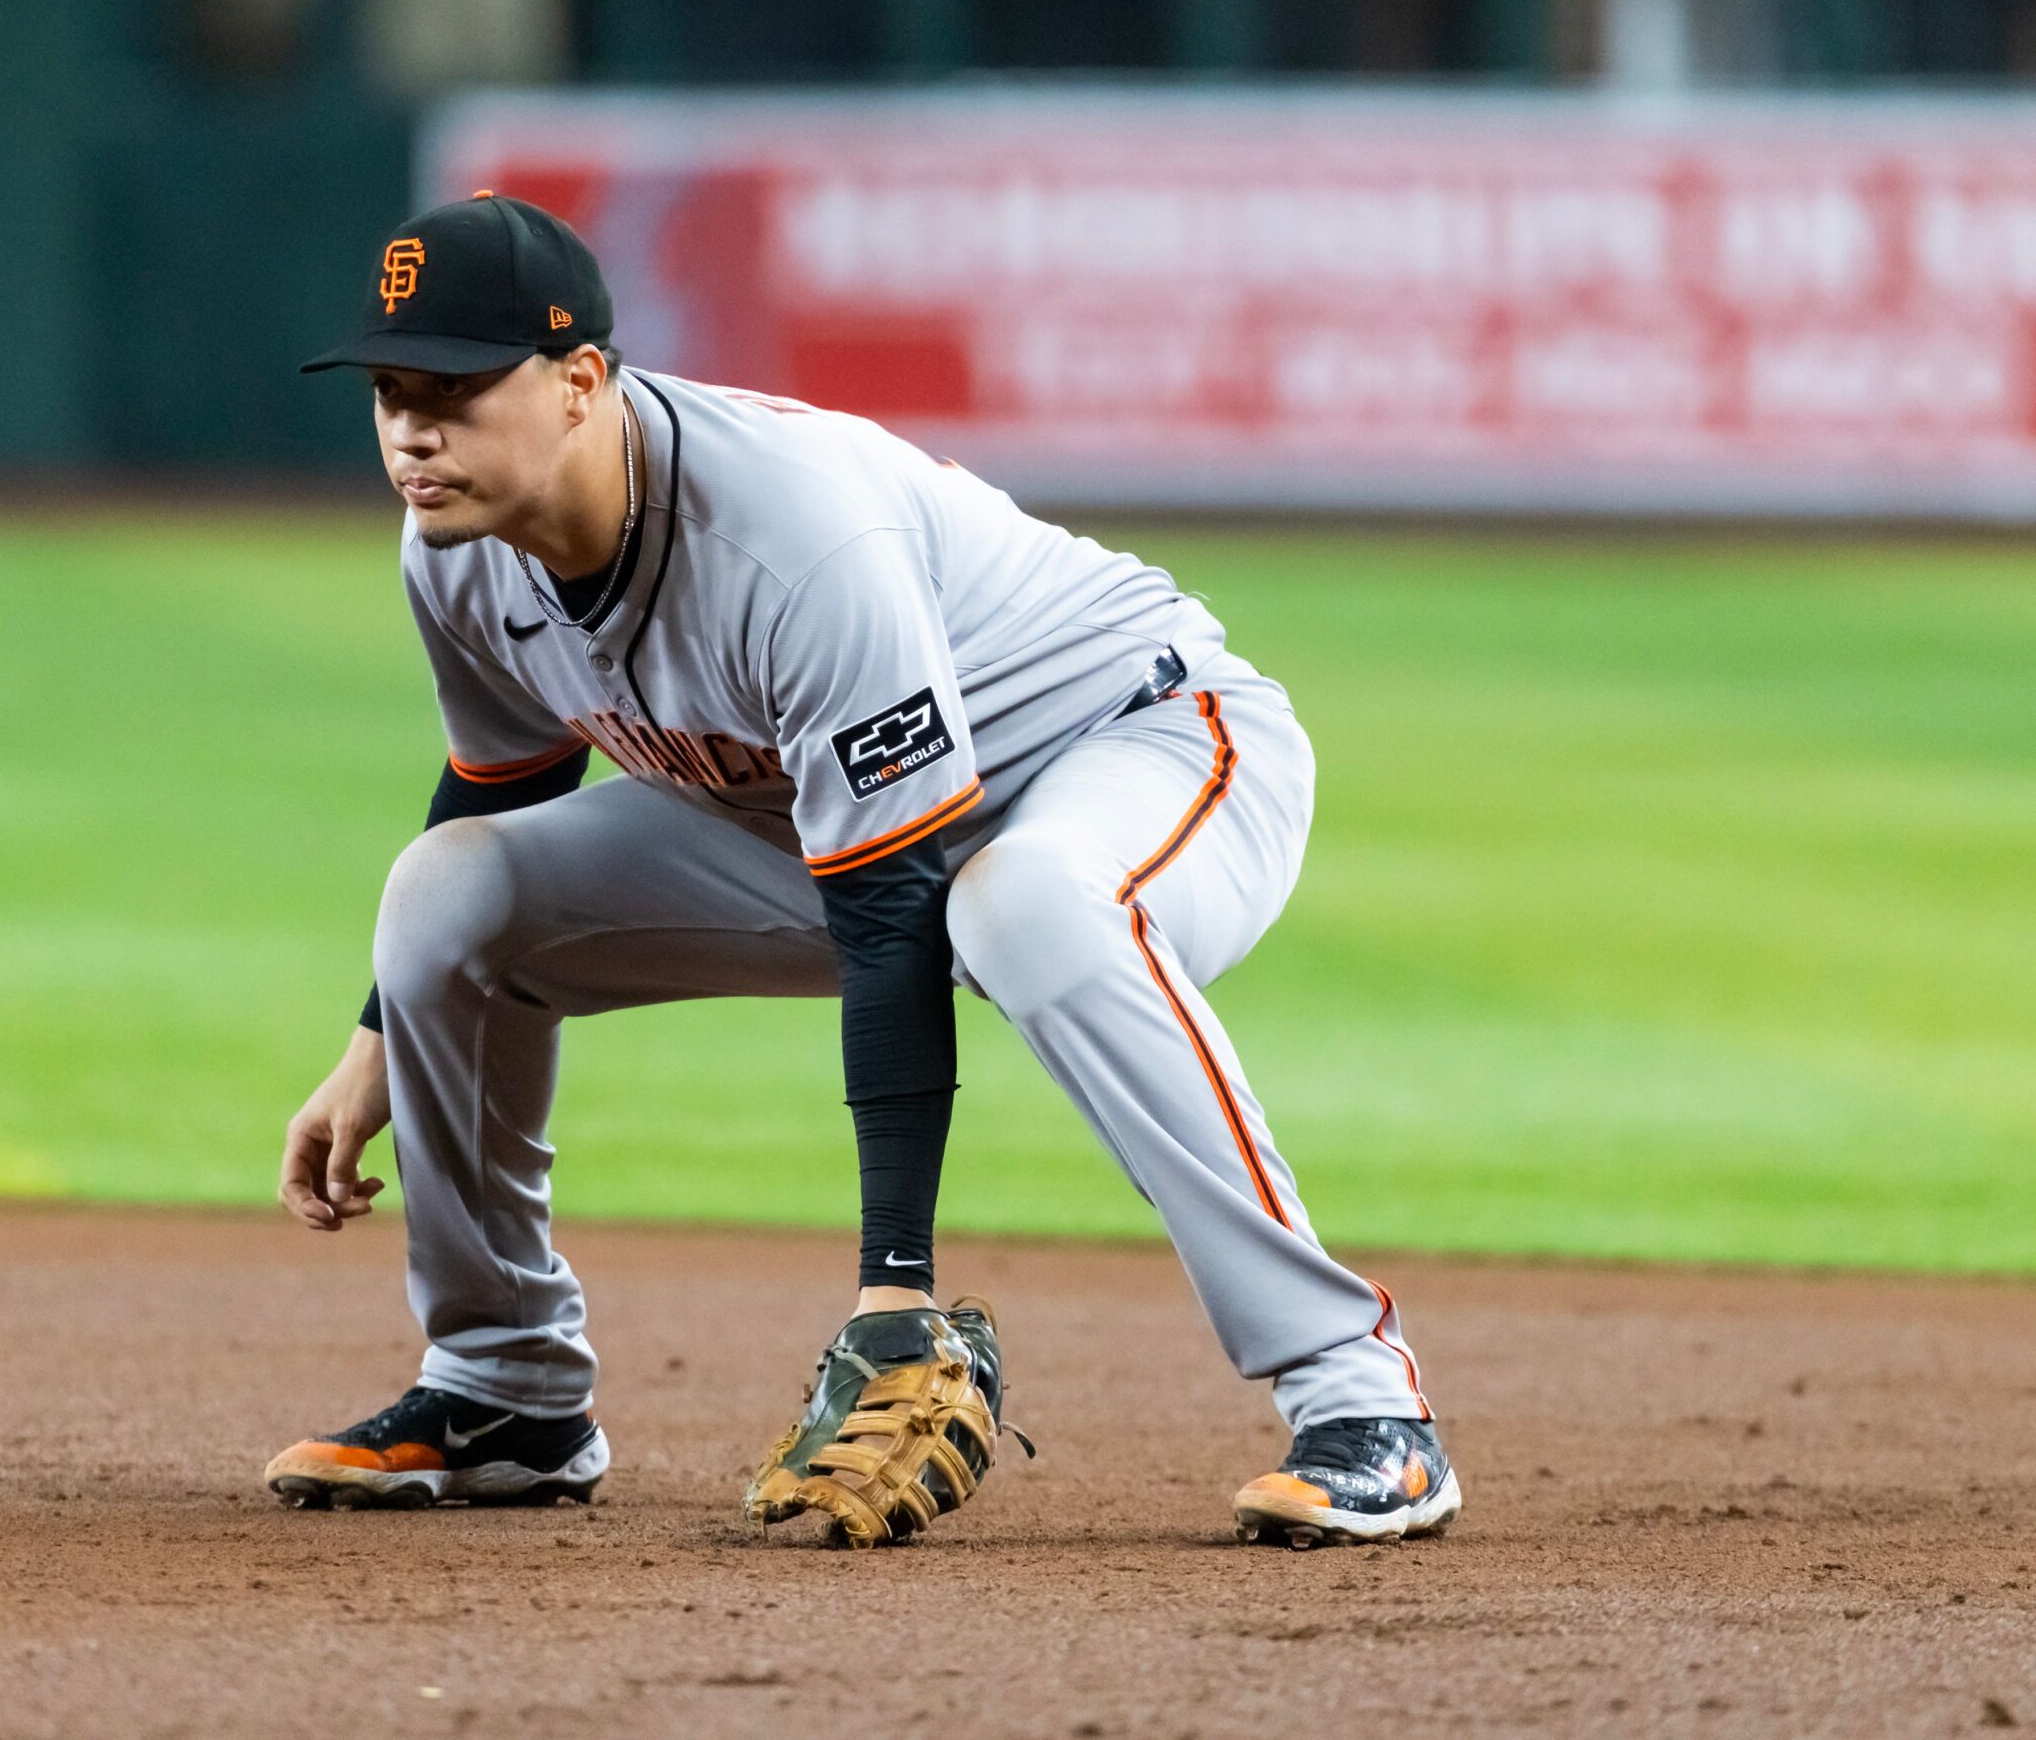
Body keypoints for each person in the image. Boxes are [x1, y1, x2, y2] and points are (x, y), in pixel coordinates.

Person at [263, 192, 1460, 1548]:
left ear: (582, 381)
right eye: (392, 391)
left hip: (1143, 743)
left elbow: (893, 915)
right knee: (444, 888)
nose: (414, 430)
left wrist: (895, 1286)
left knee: (1028, 906)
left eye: (458, 390)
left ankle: (1365, 1404)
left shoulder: (788, 533)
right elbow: (503, 775)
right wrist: (381, 1034)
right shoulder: (456, 550)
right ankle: (505, 1394)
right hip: (829, 823)